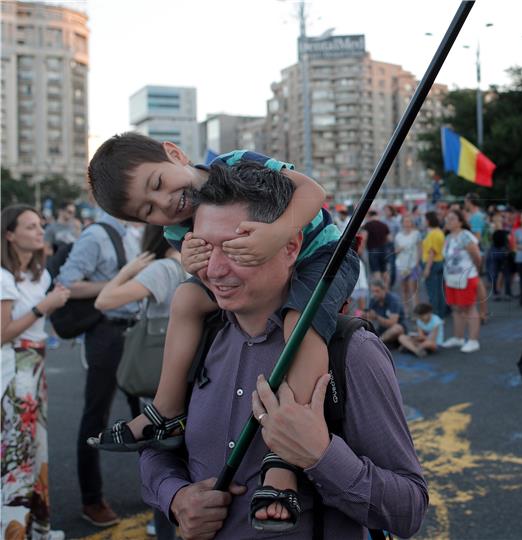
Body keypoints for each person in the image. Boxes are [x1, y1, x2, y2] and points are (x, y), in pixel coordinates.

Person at [86, 133, 359, 530]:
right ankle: (165, 410)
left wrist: (279, 232)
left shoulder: (234, 163)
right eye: (148, 209)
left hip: (321, 256)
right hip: (260, 279)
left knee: (299, 322)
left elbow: (312, 191)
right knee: (185, 300)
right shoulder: (176, 231)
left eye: (158, 184)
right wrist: (194, 264)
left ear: (175, 154)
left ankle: (283, 453)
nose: (164, 203)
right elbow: (213, 275)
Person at [139, 170, 428, 538]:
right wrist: (175, 496)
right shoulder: (199, 334)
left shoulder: (350, 352)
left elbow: (409, 509)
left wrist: (321, 455)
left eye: (234, 248)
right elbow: (156, 447)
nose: (213, 269)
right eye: (205, 247)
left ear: (290, 247)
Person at [92, 224, 184, 540]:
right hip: (190, 371)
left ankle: (164, 527)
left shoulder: (163, 268)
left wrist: (128, 271)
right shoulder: (191, 263)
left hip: (159, 374)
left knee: (160, 453)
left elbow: (104, 300)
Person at [56, 208, 142, 527]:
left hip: (136, 330)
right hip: (106, 331)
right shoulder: (96, 235)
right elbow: (67, 285)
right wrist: (117, 283)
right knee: (96, 415)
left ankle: (159, 488)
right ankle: (92, 500)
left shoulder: (131, 233)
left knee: (148, 415)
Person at [1, 205, 71, 540]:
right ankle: (13, 531)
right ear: (9, 235)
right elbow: (3, 332)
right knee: (18, 451)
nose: (40, 231)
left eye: (40, 224)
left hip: (35, 365)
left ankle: (36, 529)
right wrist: (43, 306)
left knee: (36, 448)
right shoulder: (2, 276)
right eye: (30, 226)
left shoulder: (39, 275)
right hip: (16, 367)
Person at [441, 209, 482, 354]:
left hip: (466, 277)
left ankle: (473, 340)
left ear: (460, 221)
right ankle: (458, 337)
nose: (448, 221)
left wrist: (475, 271)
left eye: (451, 218)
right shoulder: (449, 237)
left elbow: (477, 256)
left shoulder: (465, 236)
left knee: (469, 307)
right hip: (451, 279)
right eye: (447, 218)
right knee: (456, 308)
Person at [464, 194, 490, 323]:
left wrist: (471, 251)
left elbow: (477, 237)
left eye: (466, 201)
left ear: (470, 202)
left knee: (478, 283)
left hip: (478, 252)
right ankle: (482, 312)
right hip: (480, 251)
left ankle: (483, 313)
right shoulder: (478, 215)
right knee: (478, 283)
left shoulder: (476, 217)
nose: (465, 203)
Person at [421, 211, 446, 319]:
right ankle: (440, 315)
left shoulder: (433, 233)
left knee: (433, 293)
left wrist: (427, 269)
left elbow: (432, 252)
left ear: (428, 220)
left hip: (433, 264)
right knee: (439, 291)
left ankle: (436, 316)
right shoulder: (438, 232)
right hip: (438, 263)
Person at [366, 279, 406, 345]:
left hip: (397, 329)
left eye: (377, 291)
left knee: (397, 328)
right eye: (373, 291)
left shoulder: (393, 300)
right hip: (382, 329)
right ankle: (376, 341)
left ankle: (377, 343)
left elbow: (392, 323)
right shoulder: (373, 300)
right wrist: (365, 316)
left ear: (384, 289)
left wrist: (376, 317)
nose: (374, 294)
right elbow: (369, 318)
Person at [395, 214, 421, 313]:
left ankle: (416, 311)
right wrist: (399, 249)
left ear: (412, 223)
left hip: (413, 265)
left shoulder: (416, 234)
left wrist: (418, 262)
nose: (407, 223)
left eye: (409, 221)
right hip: (401, 266)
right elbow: (395, 251)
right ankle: (406, 310)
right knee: (404, 289)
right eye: (405, 221)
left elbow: (420, 249)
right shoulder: (398, 236)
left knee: (413, 290)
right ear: (402, 223)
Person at [487, 212, 513, 300]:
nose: (498, 221)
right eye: (496, 219)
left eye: (499, 219)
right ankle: (497, 293)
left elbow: (509, 240)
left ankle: (506, 293)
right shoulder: (491, 229)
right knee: (496, 274)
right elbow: (489, 240)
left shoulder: (506, 229)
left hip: (502, 252)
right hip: (495, 252)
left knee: (506, 274)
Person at [361, 210, 391, 286]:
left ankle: (378, 289)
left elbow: (364, 238)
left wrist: (362, 249)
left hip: (372, 251)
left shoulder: (367, 225)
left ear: (369, 216)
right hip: (384, 250)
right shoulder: (384, 225)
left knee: (376, 271)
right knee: (384, 271)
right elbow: (390, 239)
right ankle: (386, 289)